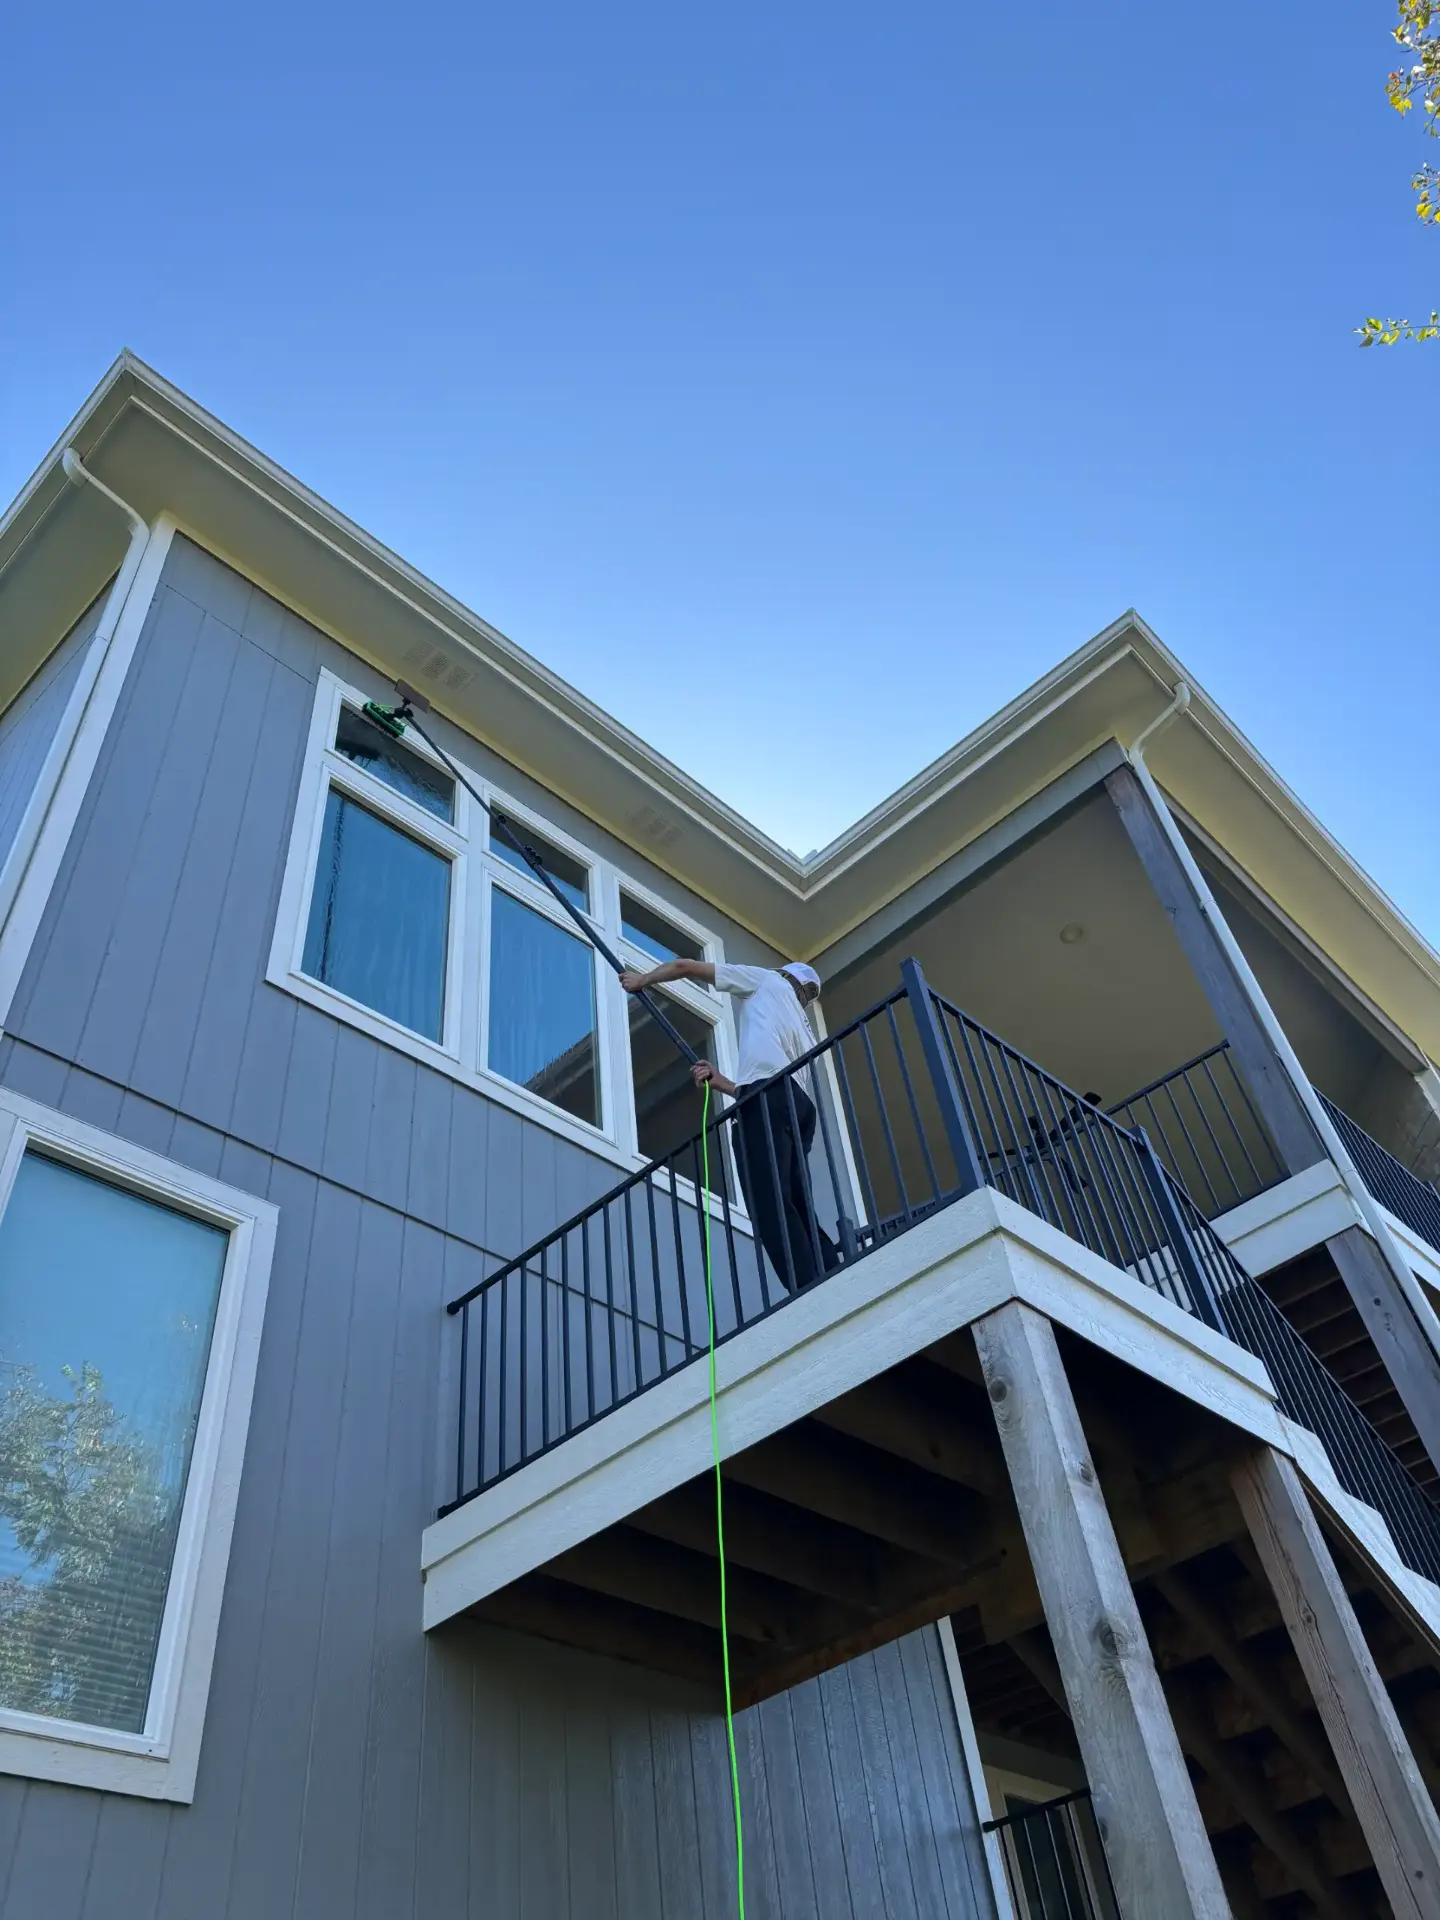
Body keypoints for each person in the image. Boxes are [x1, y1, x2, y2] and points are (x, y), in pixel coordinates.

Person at [618, 957, 839, 1293]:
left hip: (768, 1096)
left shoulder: (767, 980)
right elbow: (778, 1083)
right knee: (796, 1201)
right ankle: (831, 1272)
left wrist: (642, 980)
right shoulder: (803, 1027)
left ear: (785, 975)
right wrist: (723, 1084)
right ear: (805, 996)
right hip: (800, 1109)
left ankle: (807, 1287)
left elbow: (685, 966)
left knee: (768, 1200)